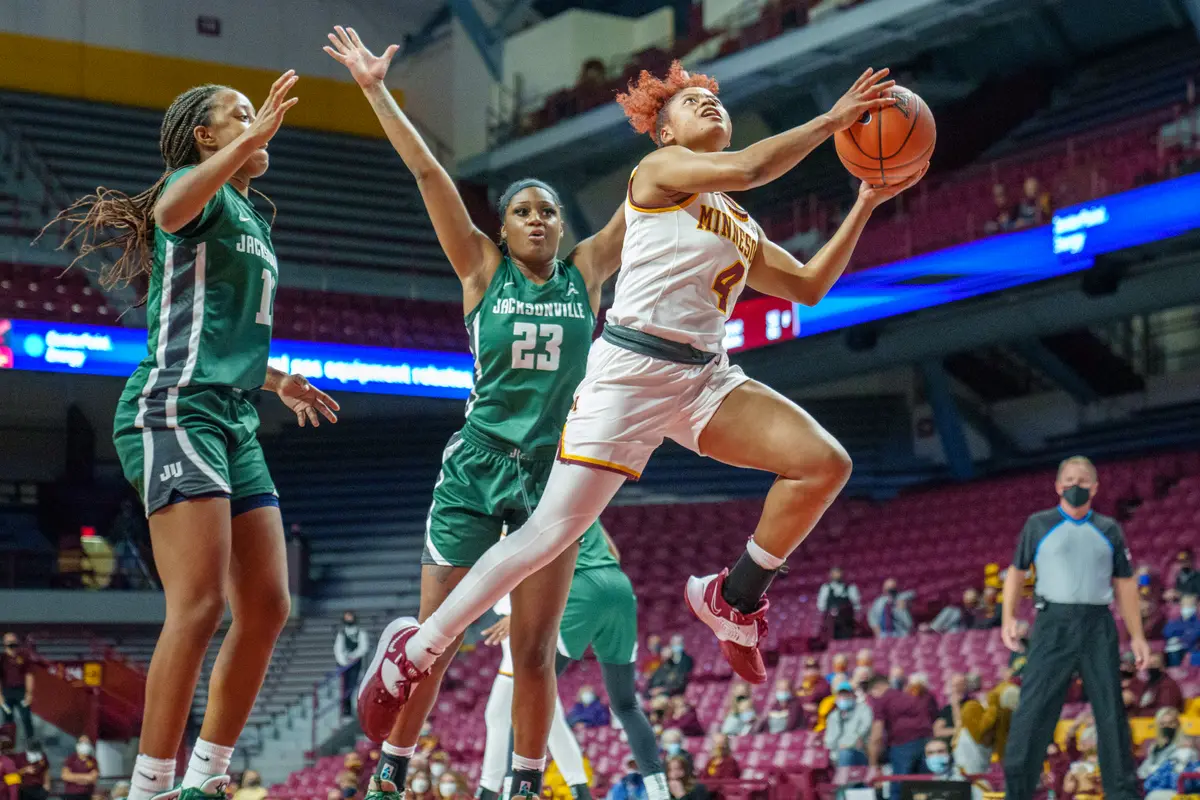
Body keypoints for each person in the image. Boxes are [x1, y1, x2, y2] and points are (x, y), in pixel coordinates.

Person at [360, 66, 922, 781]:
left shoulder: (738, 221)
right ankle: (417, 650)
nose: (710, 103)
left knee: (825, 462)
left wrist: (867, 199)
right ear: (664, 130)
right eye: (693, 101)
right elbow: (751, 165)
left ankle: (734, 596)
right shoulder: (658, 171)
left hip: (703, 377)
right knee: (550, 534)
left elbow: (809, 285)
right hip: (630, 371)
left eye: (717, 98)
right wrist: (831, 120)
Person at [324, 27, 626, 800]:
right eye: (522, 209)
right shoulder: (481, 269)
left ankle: (524, 782)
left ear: (562, 225)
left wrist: (689, 139)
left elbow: (654, 195)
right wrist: (375, 91)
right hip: (475, 466)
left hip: (553, 478)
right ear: (501, 226)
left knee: (532, 651)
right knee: (438, 638)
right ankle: (391, 767)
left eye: (547, 212)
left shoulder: (586, 269)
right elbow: (428, 170)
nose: (535, 219)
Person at [41, 72, 339, 800]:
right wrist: (251, 139)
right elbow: (171, 207)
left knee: (268, 606)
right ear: (204, 137)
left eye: (255, 113)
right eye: (237, 115)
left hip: (232, 412)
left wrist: (277, 381)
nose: (257, 120)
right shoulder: (190, 189)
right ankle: (150, 786)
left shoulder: (249, 215)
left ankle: (206, 778)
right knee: (199, 605)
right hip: (173, 407)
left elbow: (221, 330)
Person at [1001, 456, 1145, 800]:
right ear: (1057, 486)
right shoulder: (1038, 524)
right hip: (1052, 623)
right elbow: (1017, 572)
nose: (1074, 485)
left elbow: (1125, 583)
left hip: (1098, 622)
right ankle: (1018, 790)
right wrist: (1008, 617)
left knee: (1109, 710)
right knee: (1034, 708)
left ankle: (1121, 792)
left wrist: (1137, 635)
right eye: (1068, 479)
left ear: (1095, 488)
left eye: (1082, 480)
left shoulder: (1109, 528)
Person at [477, 596, 592, 800]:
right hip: (517, 636)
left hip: (536, 630)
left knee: (519, 713)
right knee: (533, 716)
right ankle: (579, 788)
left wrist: (519, 617)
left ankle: (501, 787)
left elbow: (553, 587)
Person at [866, 674, 932, 789]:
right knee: (924, 787)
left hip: (903, 745)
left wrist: (873, 765)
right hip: (926, 742)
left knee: (900, 787)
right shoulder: (908, 696)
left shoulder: (882, 701)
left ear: (876, 688)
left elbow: (877, 735)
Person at [823, 681, 871, 767]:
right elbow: (829, 739)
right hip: (837, 753)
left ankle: (843, 779)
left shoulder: (863, 709)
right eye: (841, 695)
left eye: (846, 694)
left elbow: (865, 729)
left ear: (853, 695)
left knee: (845, 753)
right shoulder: (833, 715)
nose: (844, 698)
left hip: (858, 751)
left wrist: (848, 745)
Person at [0, 636, 33, 746]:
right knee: (8, 719)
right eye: (9, 642)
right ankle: (8, 745)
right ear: (4, 643)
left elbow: (29, 675)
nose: (12, 643)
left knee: (26, 717)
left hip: (21, 693)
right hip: (7, 693)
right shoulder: (2, 658)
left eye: (13, 641)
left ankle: (31, 743)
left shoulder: (23, 657)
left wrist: (29, 693)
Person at [334, 613, 369, 717]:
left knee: (353, 684)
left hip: (356, 663)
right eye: (346, 618)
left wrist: (353, 656)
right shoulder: (341, 634)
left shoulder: (361, 633)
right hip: (344, 664)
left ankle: (352, 707)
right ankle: (346, 708)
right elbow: (337, 649)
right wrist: (343, 660)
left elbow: (363, 647)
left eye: (350, 617)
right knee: (344, 686)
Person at [1138, 707, 1184, 783]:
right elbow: (1142, 772)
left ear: (1178, 724)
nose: (1166, 727)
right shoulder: (1154, 747)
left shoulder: (1183, 748)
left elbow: (1176, 772)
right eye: (1162, 724)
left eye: (1171, 723)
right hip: (1152, 784)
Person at [817, 567, 861, 640]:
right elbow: (821, 605)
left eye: (838, 573)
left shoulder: (850, 587)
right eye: (834, 573)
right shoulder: (825, 588)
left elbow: (856, 605)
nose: (836, 575)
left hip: (847, 622)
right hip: (832, 623)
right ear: (831, 575)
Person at [1163, 593, 1200, 666]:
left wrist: (1181, 638)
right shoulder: (1175, 618)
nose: (1187, 608)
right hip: (1174, 650)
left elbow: (1194, 634)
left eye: (1190, 605)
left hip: (1191, 650)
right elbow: (1167, 632)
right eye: (1186, 605)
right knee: (1173, 650)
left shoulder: (1196, 621)